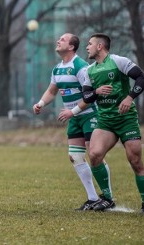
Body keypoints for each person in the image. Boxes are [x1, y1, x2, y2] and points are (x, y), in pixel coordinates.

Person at [64, 33, 144, 213]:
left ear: (100, 46)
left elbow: (142, 78)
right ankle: (107, 199)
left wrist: (129, 98)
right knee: (94, 154)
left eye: (90, 44)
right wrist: (97, 91)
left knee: (135, 160)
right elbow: (87, 96)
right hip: (105, 120)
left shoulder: (119, 61)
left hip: (126, 118)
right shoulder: (90, 70)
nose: (86, 47)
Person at [33, 33, 105, 211]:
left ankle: (107, 197)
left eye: (62, 40)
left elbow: (90, 96)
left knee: (94, 154)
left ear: (72, 47)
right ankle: (93, 198)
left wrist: (72, 112)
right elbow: (52, 90)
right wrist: (40, 103)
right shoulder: (57, 69)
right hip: (73, 117)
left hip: (89, 114)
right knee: (75, 156)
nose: (58, 41)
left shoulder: (81, 67)